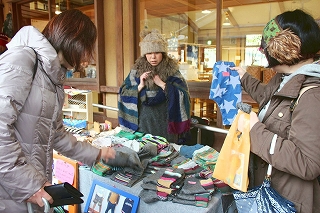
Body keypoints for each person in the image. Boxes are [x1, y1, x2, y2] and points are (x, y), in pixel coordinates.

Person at [0, 9, 116, 213]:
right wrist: (30, 185)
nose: (86, 59)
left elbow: (56, 134)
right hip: (11, 191)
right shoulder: (22, 59)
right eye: (86, 49)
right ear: (73, 40)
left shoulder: (53, 79)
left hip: (31, 191)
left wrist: (97, 154)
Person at [232, 9, 320, 213]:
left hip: (288, 202)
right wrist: (244, 77)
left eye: (265, 46)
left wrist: (254, 129)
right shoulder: (285, 78)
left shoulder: (313, 95)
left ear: (281, 48)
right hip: (271, 190)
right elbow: (268, 97)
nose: (262, 51)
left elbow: (308, 163)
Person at [118, 29, 191, 143]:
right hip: (143, 123)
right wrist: (140, 86)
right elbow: (123, 92)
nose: (153, 57)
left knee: (165, 153)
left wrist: (162, 84)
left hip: (165, 124)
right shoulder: (136, 71)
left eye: (157, 53)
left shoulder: (172, 71)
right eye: (149, 53)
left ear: (163, 53)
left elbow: (183, 94)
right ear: (144, 54)